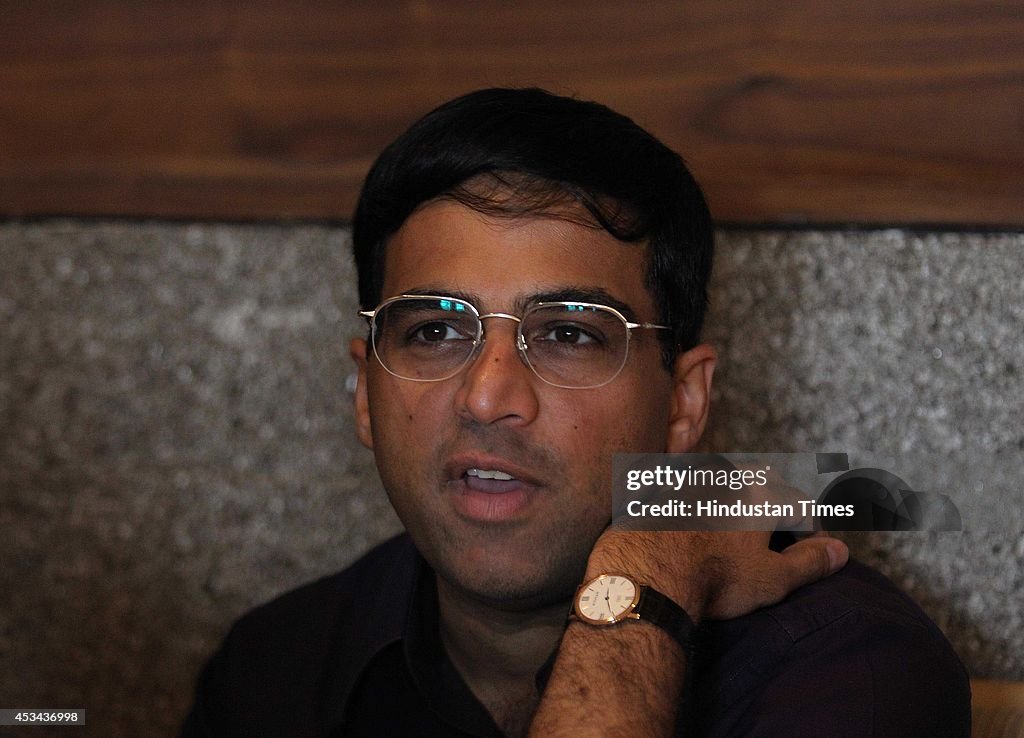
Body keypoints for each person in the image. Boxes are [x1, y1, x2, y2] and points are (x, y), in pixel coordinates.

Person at [181, 88, 970, 737]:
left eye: (566, 334)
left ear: (683, 405)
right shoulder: (274, 669)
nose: (488, 397)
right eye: (435, 330)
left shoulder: (847, 665)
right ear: (365, 392)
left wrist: (640, 577)